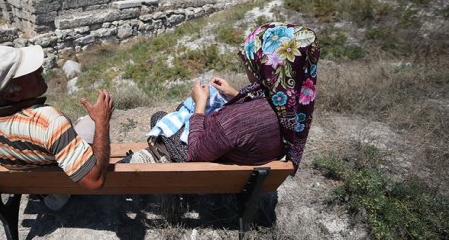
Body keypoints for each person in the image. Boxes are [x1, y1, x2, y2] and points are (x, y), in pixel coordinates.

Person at [127, 22, 320, 173]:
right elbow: (258, 118)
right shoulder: (293, 108)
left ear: (266, 64)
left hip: (211, 158)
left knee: (159, 117)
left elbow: (195, 153)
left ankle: (158, 157)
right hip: (249, 154)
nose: (246, 66)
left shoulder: (236, 120)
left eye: (249, 60)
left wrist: (200, 104)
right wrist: (235, 94)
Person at [0, 45, 114, 210]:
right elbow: (93, 181)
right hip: (63, 176)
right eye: (30, 71)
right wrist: (102, 121)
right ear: (13, 95)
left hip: (32, 178)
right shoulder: (49, 122)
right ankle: (62, 190)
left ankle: (51, 191)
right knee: (89, 122)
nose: (40, 69)